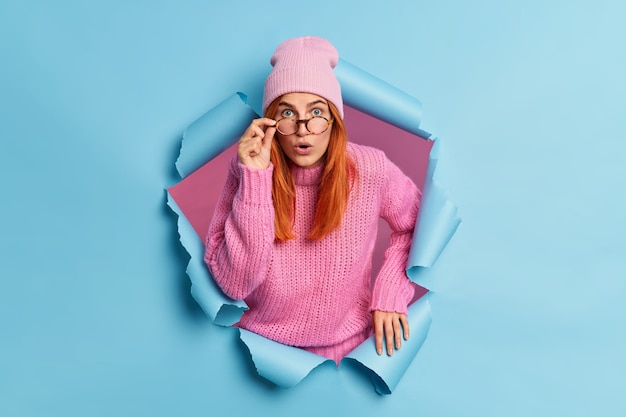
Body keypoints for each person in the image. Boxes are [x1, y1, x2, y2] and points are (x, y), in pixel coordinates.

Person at [204, 36, 421, 364]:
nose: (303, 129)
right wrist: (255, 179)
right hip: (262, 352)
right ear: (271, 124)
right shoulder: (249, 169)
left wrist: (391, 292)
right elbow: (235, 285)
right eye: (288, 113)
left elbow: (418, 225)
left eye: (317, 112)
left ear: (334, 121)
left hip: (353, 351)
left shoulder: (369, 169)